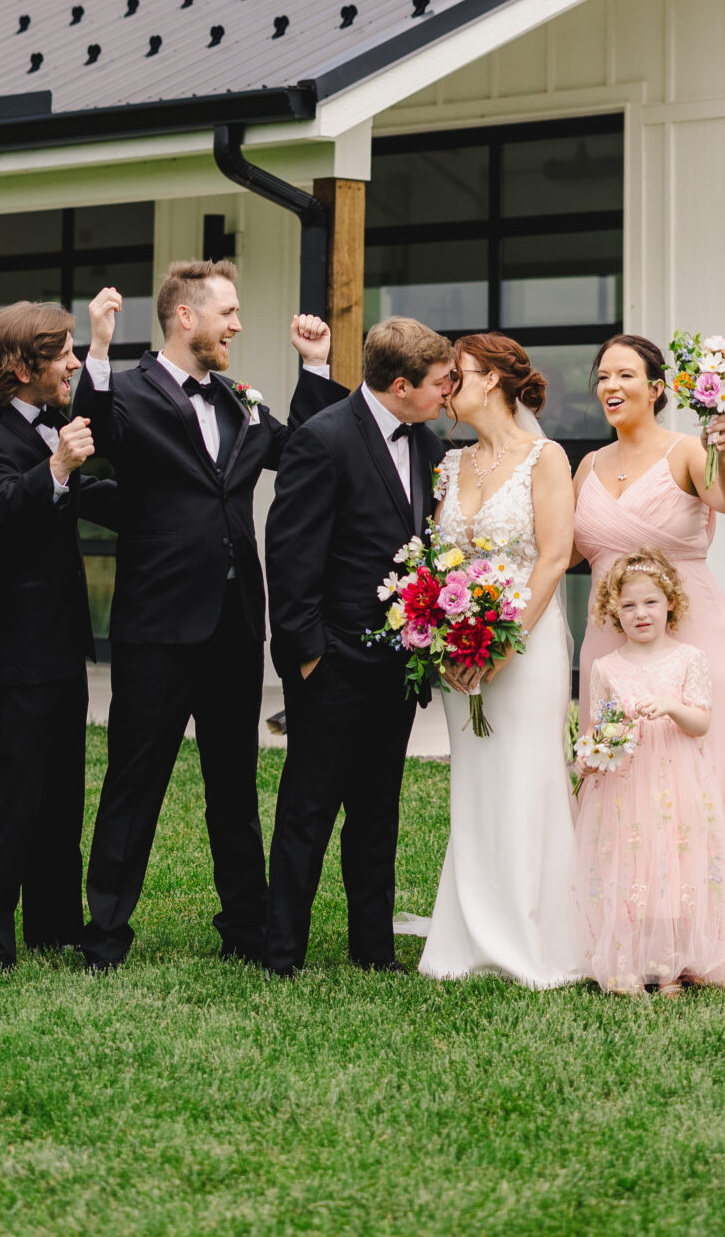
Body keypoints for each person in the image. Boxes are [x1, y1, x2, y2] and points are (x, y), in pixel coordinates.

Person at [70, 259, 305, 971]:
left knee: (232, 783)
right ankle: (106, 933)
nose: (236, 324)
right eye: (227, 312)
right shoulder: (129, 391)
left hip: (235, 623)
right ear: (185, 317)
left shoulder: (238, 398)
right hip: (159, 625)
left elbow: (300, 451)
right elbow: (96, 431)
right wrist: (101, 349)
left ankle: (246, 927)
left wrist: (315, 365)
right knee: (133, 781)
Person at [572, 334, 725, 989]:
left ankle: (711, 940)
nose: (610, 386)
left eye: (624, 374)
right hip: (609, 637)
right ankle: (622, 932)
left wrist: (722, 452)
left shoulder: (688, 451)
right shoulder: (586, 466)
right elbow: (560, 546)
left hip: (694, 634)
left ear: (656, 386)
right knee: (619, 784)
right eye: (601, 376)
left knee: (701, 782)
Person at [263, 316, 452, 976]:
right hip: (333, 662)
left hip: (398, 663)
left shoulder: (428, 445)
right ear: (400, 385)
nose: (447, 394)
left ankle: (371, 949)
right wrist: (310, 654)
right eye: (438, 383)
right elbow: (289, 556)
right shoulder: (322, 439)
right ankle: (280, 950)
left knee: (378, 811)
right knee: (308, 809)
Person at [0, 293, 123, 971]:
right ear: (22, 365)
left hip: (59, 644)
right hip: (10, 653)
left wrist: (105, 345)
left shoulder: (52, 416)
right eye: (64, 355)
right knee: (11, 799)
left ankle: (54, 924)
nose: (72, 365)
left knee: (60, 796)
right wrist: (55, 469)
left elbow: (101, 435)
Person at [419, 333, 583, 988]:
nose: (444, 388)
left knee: (525, 776)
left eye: (453, 376)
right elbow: (435, 559)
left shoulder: (545, 458)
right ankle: (467, 933)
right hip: (462, 647)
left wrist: (504, 641)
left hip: (527, 643)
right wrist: (445, 636)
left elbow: (553, 556)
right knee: (476, 782)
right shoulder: (451, 464)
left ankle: (534, 939)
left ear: (488, 379)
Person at [573, 549, 725, 996]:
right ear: (614, 611)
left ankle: (668, 966)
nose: (640, 613)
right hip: (623, 789)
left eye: (650, 602)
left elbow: (701, 722)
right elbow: (599, 729)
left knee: (671, 869)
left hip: (674, 784)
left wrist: (669, 707)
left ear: (670, 604)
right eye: (628, 605)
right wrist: (587, 755)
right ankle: (623, 961)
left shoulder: (689, 659)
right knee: (624, 867)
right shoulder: (607, 669)